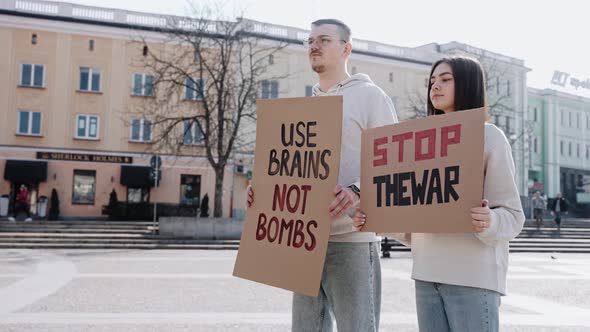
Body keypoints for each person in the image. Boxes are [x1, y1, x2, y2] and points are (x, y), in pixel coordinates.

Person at [246, 19, 398, 331]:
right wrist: (261, 189)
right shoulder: (304, 108)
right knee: (306, 327)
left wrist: (357, 190)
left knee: (358, 327)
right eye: (310, 40)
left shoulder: (371, 97)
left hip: (352, 238)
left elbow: (394, 164)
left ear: (347, 48)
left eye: (324, 40)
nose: (314, 46)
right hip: (303, 239)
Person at [354, 56, 525, 332]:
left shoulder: (490, 137)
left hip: (472, 278)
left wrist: (489, 221)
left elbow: (513, 216)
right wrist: (377, 219)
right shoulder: (421, 144)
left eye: (446, 79)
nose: (435, 86)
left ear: (468, 84)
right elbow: (416, 225)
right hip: (426, 278)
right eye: (432, 81)